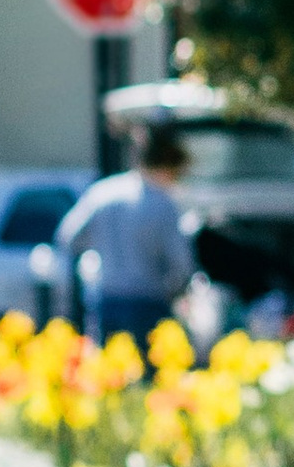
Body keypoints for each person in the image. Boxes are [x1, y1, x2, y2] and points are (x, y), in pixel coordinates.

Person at [54, 123, 198, 347]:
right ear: (167, 167)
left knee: (110, 364)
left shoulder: (102, 192)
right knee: (148, 367)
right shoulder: (163, 204)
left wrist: (99, 251)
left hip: (106, 300)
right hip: (150, 302)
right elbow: (182, 264)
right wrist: (177, 291)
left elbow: (67, 237)